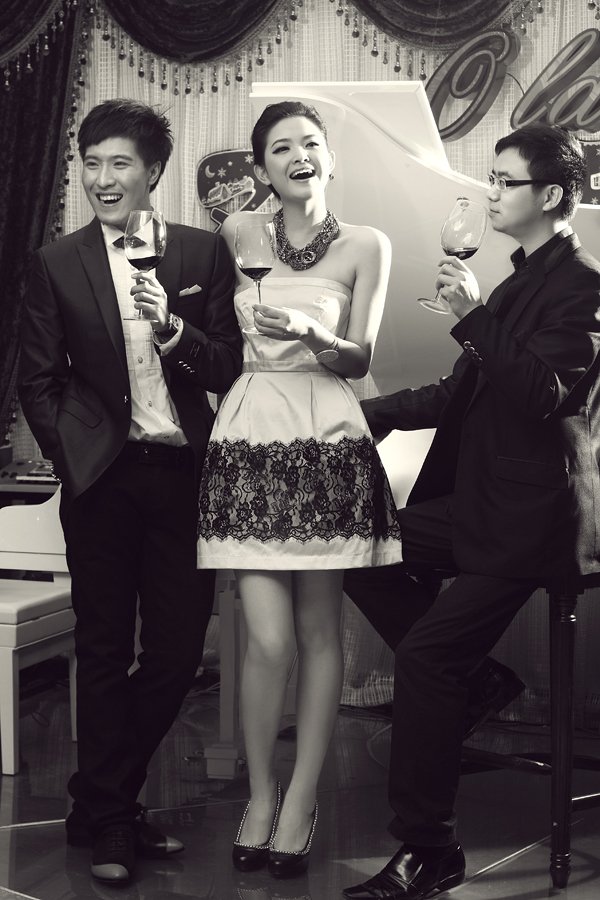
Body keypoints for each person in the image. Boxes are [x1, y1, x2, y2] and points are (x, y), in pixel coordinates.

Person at [341, 123, 600, 900]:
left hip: (534, 519)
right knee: (357, 541)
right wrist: (363, 415)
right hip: (483, 503)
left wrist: (473, 315)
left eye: (504, 181)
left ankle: (430, 851)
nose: (490, 193)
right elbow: (460, 394)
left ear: (551, 195)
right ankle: (479, 682)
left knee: (425, 659)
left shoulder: (584, 285)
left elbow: (546, 396)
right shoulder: (519, 283)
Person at [18, 98, 242, 885]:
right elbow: (37, 381)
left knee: (178, 654)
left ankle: (98, 799)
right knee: (104, 649)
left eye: (119, 163)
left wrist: (176, 332)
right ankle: (114, 819)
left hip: (181, 476)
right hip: (102, 483)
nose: (101, 177)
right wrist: (76, 457)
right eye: (91, 162)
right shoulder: (57, 262)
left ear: (153, 171)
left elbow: (228, 365)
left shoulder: (200, 254)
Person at [196, 100, 403, 878]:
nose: (298, 155)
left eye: (310, 143)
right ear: (261, 169)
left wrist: (318, 336)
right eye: (280, 147)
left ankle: (302, 799)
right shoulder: (236, 235)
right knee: (269, 640)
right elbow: (218, 336)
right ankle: (259, 796)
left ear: (329, 159)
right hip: (251, 433)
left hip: (326, 436)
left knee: (319, 635)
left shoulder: (366, 244)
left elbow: (360, 358)